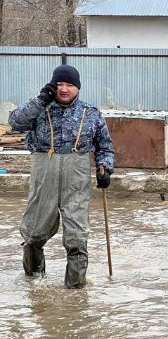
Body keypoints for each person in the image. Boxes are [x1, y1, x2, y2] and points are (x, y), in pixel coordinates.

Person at [8, 65, 114, 288]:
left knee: (77, 237)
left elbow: (104, 146)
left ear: (78, 88)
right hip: (44, 175)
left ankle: (75, 293)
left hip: (76, 178)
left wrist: (105, 167)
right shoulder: (39, 108)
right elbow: (15, 122)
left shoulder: (91, 113)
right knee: (33, 234)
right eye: (60, 84)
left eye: (69, 85)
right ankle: (34, 282)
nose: (64, 89)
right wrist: (41, 100)